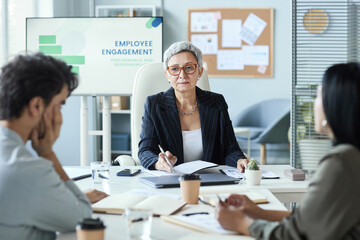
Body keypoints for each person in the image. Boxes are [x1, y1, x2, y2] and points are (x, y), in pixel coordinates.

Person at [215, 62, 360, 239]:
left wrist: (240, 223)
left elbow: (294, 235)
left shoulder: (342, 162)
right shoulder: (352, 157)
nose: (314, 104)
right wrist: (257, 212)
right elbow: (309, 222)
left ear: (336, 105)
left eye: (318, 96)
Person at [0, 53, 108, 240]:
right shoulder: (27, 170)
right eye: (59, 105)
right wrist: (47, 152)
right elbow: (82, 216)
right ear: (36, 105)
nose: (60, 116)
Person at [138, 41, 248, 172]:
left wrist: (239, 160)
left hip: (211, 179)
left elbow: (230, 149)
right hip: (172, 179)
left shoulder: (216, 102)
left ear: (200, 72)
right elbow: (145, 150)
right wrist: (158, 162)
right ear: (167, 74)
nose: (182, 75)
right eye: (174, 69)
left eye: (189, 68)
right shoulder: (154, 104)